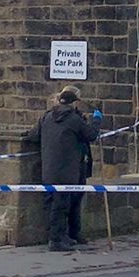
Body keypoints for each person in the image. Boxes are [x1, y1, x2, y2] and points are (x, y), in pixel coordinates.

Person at [37, 86, 101, 254]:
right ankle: (56, 240)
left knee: (54, 205)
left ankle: (62, 236)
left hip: (49, 169)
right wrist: (96, 120)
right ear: (74, 103)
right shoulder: (74, 119)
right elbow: (92, 134)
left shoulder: (46, 117)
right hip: (67, 171)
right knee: (61, 206)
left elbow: (33, 135)